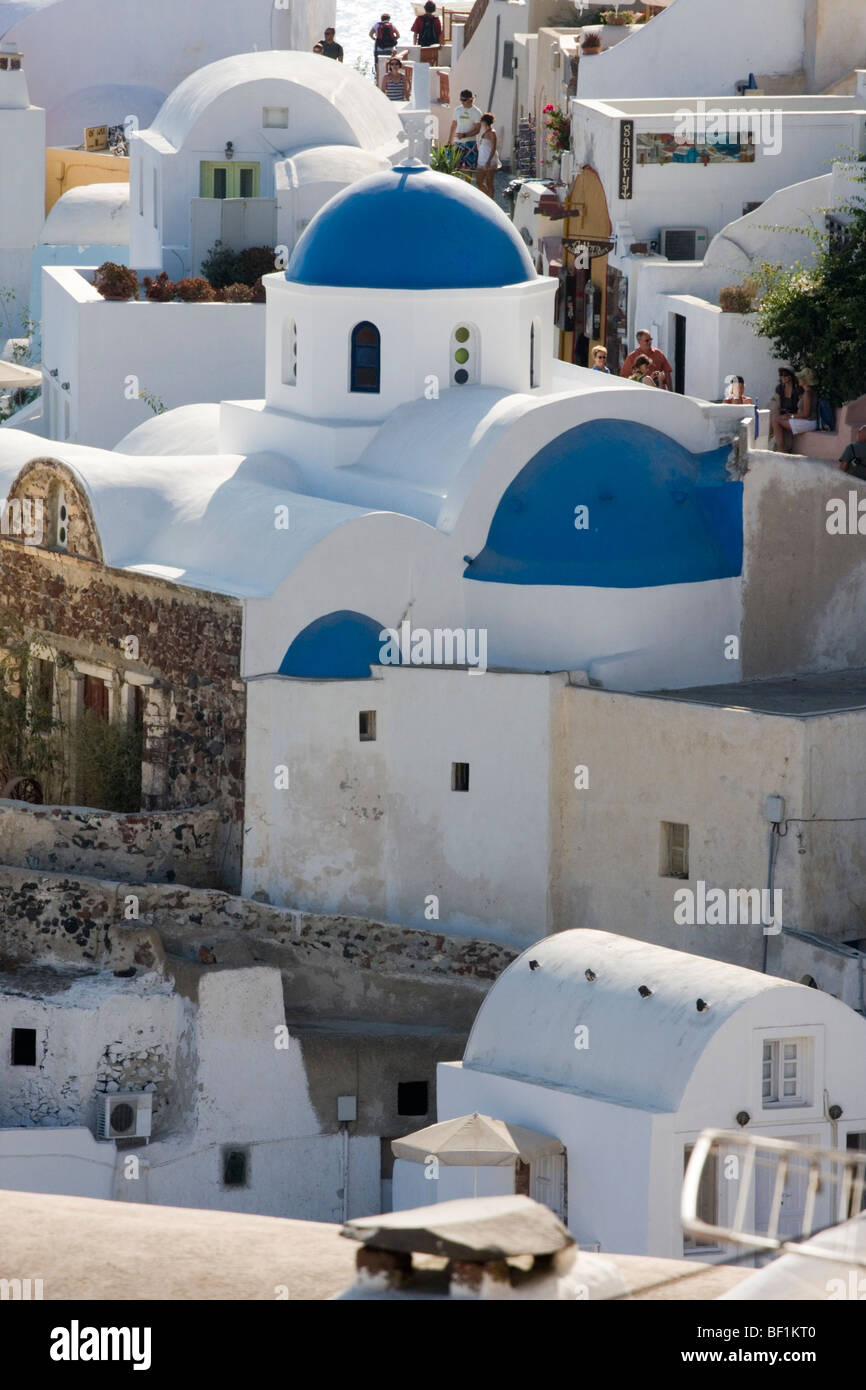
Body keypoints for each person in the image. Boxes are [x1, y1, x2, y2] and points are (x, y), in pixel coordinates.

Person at [773, 367, 817, 452]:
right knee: (777, 419)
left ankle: (781, 449)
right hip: (807, 421)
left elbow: (806, 414)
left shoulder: (807, 393)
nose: (798, 379)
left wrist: (791, 416)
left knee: (776, 421)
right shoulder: (806, 392)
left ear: (805, 380)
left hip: (809, 422)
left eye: (800, 378)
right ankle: (781, 448)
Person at [449, 90, 482, 170]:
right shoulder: (457, 110)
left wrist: (464, 135)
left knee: (469, 168)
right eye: (461, 99)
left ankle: (467, 182)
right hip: (458, 142)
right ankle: (456, 182)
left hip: (470, 143)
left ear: (471, 99)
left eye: (464, 100)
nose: (462, 102)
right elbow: (454, 125)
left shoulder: (477, 112)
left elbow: (477, 130)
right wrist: (449, 140)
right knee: (455, 167)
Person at [475, 112, 500, 198]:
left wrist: (488, 161)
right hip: (481, 159)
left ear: (485, 122)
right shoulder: (485, 132)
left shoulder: (492, 133)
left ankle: (490, 200)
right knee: (479, 181)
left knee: (489, 183)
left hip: (489, 160)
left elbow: (493, 148)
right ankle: (487, 197)